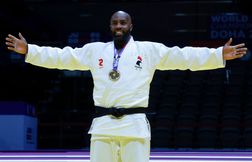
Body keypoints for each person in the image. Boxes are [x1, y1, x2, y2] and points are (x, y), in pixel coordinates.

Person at [5, 10, 247, 162]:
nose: (118, 27)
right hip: (102, 129)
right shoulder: (95, 51)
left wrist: (218, 54)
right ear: (110, 27)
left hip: (134, 128)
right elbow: (61, 57)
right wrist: (30, 50)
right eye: (114, 23)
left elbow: (183, 57)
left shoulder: (149, 50)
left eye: (123, 23)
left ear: (131, 26)